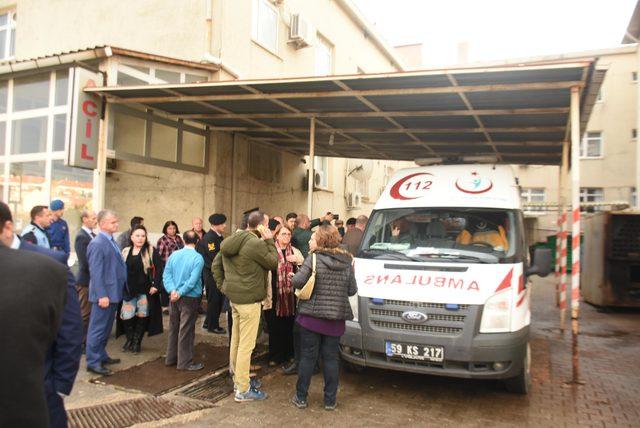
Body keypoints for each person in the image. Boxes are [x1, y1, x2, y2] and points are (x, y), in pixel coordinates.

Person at [0, 201, 68, 427]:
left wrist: (59, 383)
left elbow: (66, 331)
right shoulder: (47, 270)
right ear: (7, 227)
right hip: (23, 408)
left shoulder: (47, 268)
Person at [212, 211, 278, 402]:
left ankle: (238, 378)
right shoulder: (255, 243)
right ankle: (242, 389)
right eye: (266, 224)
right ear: (260, 226)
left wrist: (224, 286)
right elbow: (273, 262)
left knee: (237, 341)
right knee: (246, 346)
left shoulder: (231, 241)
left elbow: (216, 265)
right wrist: (269, 241)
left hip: (235, 299)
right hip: (249, 301)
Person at [290, 225, 357, 411]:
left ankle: (301, 398)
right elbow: (352, 290)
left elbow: (298, 282)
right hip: (335, 320)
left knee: (307, 358)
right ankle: (330, 401)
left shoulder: (313, 258)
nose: (311, 240)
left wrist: (292, 275)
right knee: (331, 359)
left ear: (321, 240)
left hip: (311, 318)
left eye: (313, 237)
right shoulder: (347, 260)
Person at [86, 210, 127, 376]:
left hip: (113, 292)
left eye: (116, 221)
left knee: (106, 328)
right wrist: (102, 295)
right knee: (98, 328)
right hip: (104, 295)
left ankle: (101, 355)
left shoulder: (110, 240)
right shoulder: (97, 243)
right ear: (102, 224)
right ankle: (93, 362)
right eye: (112, 222)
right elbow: (96, 272)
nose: (116, 224)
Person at [118, 225, 163, 354]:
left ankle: (136, 342)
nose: (140, 238)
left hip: (145, 291)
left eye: (143, 236)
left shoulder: (150, 250)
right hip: (128, 291)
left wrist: (155, 285)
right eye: (137, 236)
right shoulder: (125, 251)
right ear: (131, 237)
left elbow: (159, 269)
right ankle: (130, 338)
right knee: (127, 317)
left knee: (142, 316)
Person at [163, 230, 205, 371]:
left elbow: (166, 275)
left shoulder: (174, 255)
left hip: (174, 296)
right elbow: (193, 281)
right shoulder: (198, 258)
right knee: (186, 330)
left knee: (174, 327)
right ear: (198, 241)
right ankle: (185, 362)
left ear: (183, 240)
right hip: (190, 297)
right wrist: (180, 292)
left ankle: (171, 358)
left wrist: (172, 291)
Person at [266, 225, 303, 367]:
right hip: (274, 294)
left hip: (290, 296)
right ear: (277, 236)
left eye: (288, 234)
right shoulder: (271, 250)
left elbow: (305, 268)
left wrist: (297, 261)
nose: (286, 236)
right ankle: (275, 356)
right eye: (283, 234)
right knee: (274, 327)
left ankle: (289, 354)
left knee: (289, 326)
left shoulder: (295, 251)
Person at [197, 213, 227, 334]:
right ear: (215, 225)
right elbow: (215, 257)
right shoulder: (210, 237)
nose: (225, 225)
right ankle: (213, 326)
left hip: (216, 273)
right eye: (223, 223)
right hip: (212, 274)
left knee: (215, 299)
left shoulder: (218, 236)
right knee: (215, 300)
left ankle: (207, 322)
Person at [75, 210, 97, 349]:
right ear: (84, 219)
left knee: (91, 314)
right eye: (93, 218)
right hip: (85, 281)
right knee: (85, 313)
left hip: (93, 281)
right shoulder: (81, 237)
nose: (96, 220)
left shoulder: (93, 235)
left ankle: (87, 340)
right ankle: (80, 342)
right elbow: (85, 262)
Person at [157, 220, 185, 307]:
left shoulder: (179, 238)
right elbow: (158, 255)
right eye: (170, 228)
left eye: (174, 228)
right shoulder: (162, 240)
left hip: (179, 266)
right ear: (166, 229)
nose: (172, 230)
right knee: (166, 285)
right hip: (167, 266)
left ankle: (176, 303)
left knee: (177, 284)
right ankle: (165, 306)